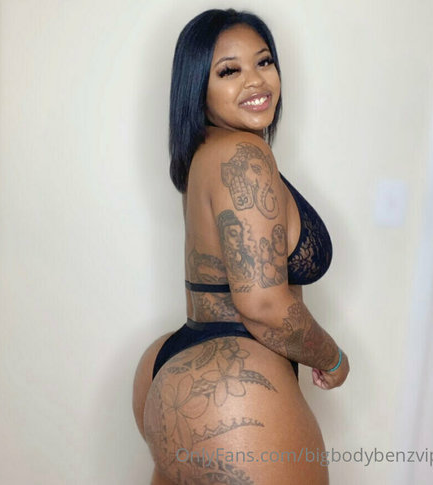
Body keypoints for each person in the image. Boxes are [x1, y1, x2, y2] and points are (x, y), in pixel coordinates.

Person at [132, 8, 349, 484]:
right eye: (229, 71)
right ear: (198, 87)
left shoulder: (204, 153)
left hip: (171, 369)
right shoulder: (244, 155)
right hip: (234, 391)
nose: (255, 80)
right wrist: (332, 358)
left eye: (264, 62)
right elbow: (263, 304)